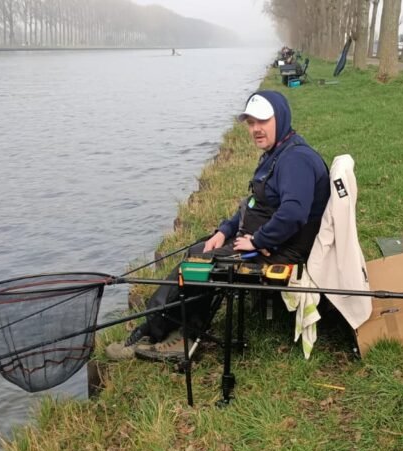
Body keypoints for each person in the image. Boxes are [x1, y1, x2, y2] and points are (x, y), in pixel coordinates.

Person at [106, 90, 330, 362]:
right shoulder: (277, 152)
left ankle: (164, 331)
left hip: (283, 251)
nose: (256, 129)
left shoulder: (296, 159)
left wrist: (259, 241)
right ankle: (172, 326)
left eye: (262, 121)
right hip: (266, 241)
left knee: (198, 264)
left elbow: (294, 213)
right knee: (201, 247)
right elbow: (253, 204)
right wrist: (224, 231)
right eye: (250, 123)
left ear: (280, 118)